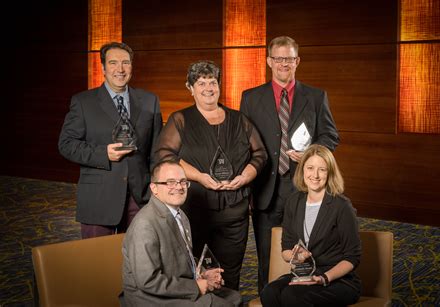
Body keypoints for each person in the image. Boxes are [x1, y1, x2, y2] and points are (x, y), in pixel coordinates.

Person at [154, 60, 267, 291]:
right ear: (190, 87)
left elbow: (261, 154)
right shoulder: (180, 120)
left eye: (213, 82)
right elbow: (164, 155)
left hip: (235, 213)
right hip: (195, 212)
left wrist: (245, 176)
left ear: (219, 85)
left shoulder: (239, 120)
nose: (208, 87)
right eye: (201, 82)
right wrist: (199, 176)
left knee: (231, 272)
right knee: (197, 272)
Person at [240, 36, 340, 292]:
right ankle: (267, 297)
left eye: (290, 58)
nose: (284, 63)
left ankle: (303, 298)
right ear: (269, 61)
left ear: (297, 61)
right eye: (279, 58)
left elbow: (330, 136)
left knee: (307, 253)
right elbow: (244, 143)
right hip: (265, 189)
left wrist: (312, 155)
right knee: (266, 256)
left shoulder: (316, 96)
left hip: (304, 187)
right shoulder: (251, 98)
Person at [58, 42, 162, 239]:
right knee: (97, 263)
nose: (120, 69)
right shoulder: (83, 102)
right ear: (104, 68)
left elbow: (157, 149)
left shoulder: (150, 100)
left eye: (125, 63)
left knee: (138, 261)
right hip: (99, 196)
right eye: (113, 63)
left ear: (132, 66)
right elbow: (66, 144)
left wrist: (156, 187)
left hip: (139, 197)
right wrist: (103, 154)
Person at [120, 161, 242, 306]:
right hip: (149, 299)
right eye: (170, 182)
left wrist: (202, 273)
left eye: (183, 182)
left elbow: (181, 257)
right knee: (219, 304)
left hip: (174, 286)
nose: (178, 187)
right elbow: (148, 281)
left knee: (234, 297)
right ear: (154, 188)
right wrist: (195, 287)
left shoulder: (179, 215)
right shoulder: (144, 225)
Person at [260, 144, 361, 306]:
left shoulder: (341, 206)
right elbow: (286, 249)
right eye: (310, 168)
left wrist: (324, 278)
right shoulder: (294, 201)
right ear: (303, 171)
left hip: (337, 280)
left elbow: (352, 257)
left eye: (322, 169)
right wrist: (296, 257)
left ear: (330, 173)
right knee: (269, 293)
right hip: (305, 275)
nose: (315, 175)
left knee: (292, 297)